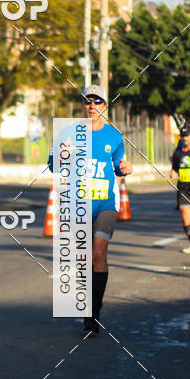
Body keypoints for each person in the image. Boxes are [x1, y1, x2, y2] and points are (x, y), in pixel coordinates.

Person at [49, 85, 133, 334]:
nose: (92, 106)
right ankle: (88, 304)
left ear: (105, 107)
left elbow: (119, 166)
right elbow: (53, 165)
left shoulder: (114, 136)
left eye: (97, 102)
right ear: (82, 105)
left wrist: (125, 168)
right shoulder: (69, 133)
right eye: (88, 101)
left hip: (106, 203)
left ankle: (93, 313)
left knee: (98, 254)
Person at [170, 126, 190, 254]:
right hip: (183, 188)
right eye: (183, 136)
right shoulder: (177, 154)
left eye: (187, 135)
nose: (185, 138)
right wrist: (172, 172)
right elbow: (175, 168)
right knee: (184, 213)